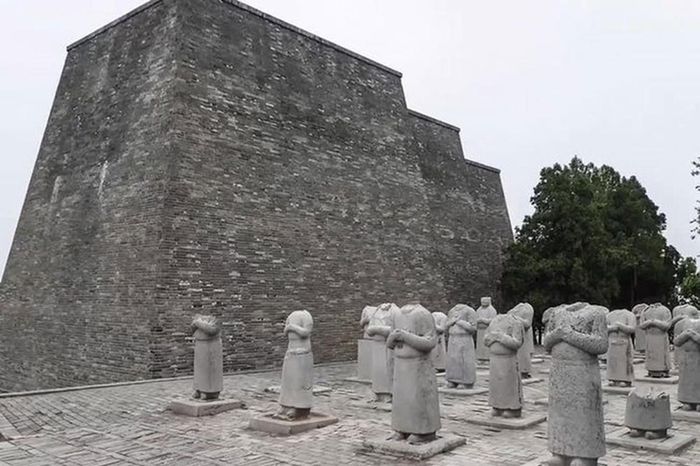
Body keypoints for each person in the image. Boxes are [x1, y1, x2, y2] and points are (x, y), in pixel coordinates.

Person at [544, 303, 608, 466]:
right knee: (559, 413)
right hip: (559, 371)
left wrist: (569, 334)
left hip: (583, 371)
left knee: (583, 413)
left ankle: (585, 454)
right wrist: (558, 334)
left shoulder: (596, 313)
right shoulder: (556, 313)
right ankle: (559, 451)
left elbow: (601, 344)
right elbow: (546, 343)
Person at [387, 303, 441, 444]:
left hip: (418, 365)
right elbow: (389, 343)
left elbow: (430, 342)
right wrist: (393, 337)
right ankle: (401, 428)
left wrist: (405, 336)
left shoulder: (423, 314)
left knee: (417, 399)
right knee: (402, 399)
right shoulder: (397, 315)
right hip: (400, 365)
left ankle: (424, 432)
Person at [275, 310, 314, 420]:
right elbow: (285, 331)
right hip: (291, 351)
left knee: (299, 381)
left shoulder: (306, 316)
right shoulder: (291, 316)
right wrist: (288, 327)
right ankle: (285, 404)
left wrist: (292, 327)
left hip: (302, 352)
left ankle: (299, 407)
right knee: (288, 381)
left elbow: (306, 332)